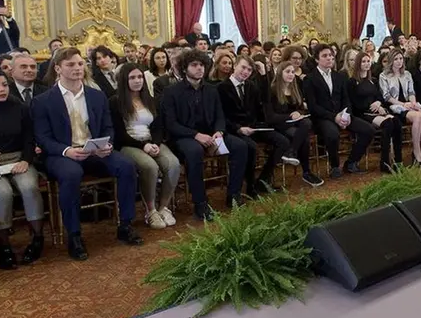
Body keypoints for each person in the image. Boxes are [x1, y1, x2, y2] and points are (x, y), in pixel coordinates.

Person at [32, 48, 142, 261]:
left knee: (127, 166)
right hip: (61, 154)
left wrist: (106, 144)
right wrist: (66, 151)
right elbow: (43, 138)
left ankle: (125, 224)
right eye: (71, 65)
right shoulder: (43, 100)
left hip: (94, 150)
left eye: (80, 64)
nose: (77, 68)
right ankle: (74, 235)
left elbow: (108, 127)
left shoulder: (96, 96)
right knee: (72, 174)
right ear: (58, 69)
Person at [160, 49, 251, 220]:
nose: (199, 68)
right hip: (184, 136)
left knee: (240, 146)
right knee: (195, 152)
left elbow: (219, 116)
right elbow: (171, 124)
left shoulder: (211, 89)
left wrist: (219, 131)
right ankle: (200, 203)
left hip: (210, 134)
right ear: (184, 68)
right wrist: (195, 135)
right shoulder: (171, 92)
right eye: (194, 65)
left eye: (202, 65)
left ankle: (233, 195)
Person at [0, 70, 45, 269]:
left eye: (4, 85)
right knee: (2, 192)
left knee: (29, 187)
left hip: (18, 159)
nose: (2, 90)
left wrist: (26, 160)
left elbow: (29, 138)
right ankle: (4, 245)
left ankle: (37, 238)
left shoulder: (19, 107)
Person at [109, 64, 181, 229]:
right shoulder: (115, 102)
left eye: (140, 77)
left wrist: (155, 143)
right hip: (129, 143)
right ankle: (151, 210)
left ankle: (163, 207)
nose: (137, 81)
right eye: (132, 78)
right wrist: (144, 146)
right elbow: (119, 134)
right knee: (150, 166)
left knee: (173, 163)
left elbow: (157, 127)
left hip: (150, 140)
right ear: (124, 80)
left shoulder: (150, 99)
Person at [218, 55, 299, 196]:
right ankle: (250, 186)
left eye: (249, 70)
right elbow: (221, 116)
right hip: (234, 129)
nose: (246, 72)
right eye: (243, 67)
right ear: (235, 65)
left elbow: (265, 100)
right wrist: (238, 128)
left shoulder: (251, 86)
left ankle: (263, 180)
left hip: (253, 127)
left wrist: (263, 75)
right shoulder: (221, 88)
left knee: (283, 141)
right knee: (251, 148)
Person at [303, 44, 375, 178]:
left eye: (331, 55)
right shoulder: (310, 79)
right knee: (332, 134)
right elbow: (313, 107)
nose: (329, 58)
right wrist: (334, 117)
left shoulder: (339, 77)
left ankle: (351, 162)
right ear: (317, 59)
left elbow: (346, 99)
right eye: (325, 56)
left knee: (368, 130)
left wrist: (345, 114)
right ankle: (335, 166)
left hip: (342, 114)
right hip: (323, 117)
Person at [265, 61, 323, 187]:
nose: (291, 74)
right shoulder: (273, 90)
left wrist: (298, 112)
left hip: (295, 124)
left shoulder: (295, 88)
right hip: (279, 124)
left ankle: (291, 152)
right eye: (287, 71)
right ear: (280, 73)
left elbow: (301, 108)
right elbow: (270, 116)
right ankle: (306, 172)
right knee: (304, 137)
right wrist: (290, 116)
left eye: (292, 72)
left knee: (306, 124)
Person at [349, 52, 403, 172]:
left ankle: (398, 161)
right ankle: (384, 162)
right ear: (358, 64)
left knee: (397, 123)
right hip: (363, 113)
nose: (366, 64)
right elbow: (355, 103)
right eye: (363, 61)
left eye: (368, 61)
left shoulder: (373, 80)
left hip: (376, 110)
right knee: (388, 124)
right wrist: (372, 106)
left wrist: (378, 103)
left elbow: (379, 96)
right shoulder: (352, 82)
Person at [379, 49, 421, 166]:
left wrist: (412, 103)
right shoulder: (384, 76)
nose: (399, 62)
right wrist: (403, 104)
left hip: (409, 104)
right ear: (391, 61)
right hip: (395, 106)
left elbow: (411, 91)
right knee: (418, 117)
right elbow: (386, 96)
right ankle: (416, 152)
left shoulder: (407, 74)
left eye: (401, 59)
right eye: (396, 59)